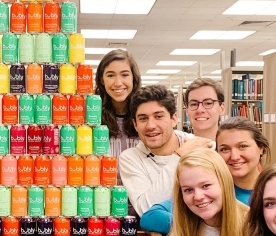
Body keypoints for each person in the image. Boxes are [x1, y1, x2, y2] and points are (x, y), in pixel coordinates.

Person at [119, 85, 212, 216]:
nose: (150, 126)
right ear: (135, 124)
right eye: (143, 118)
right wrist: (179, 156)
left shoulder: (197, 145)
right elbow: (147, 210)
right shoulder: (130, 158)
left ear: (173, 119)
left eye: (158, 116)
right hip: (159, 235)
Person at [94, 48, 141, 173]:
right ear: (102, 80)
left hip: (139, 190)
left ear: (133, 78)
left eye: (125, 75)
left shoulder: (145, 115)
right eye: (110, 75)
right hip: (102, 190)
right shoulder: (91, 116)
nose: (118, 83)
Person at [216, 116, 270, 205]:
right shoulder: (213, 195)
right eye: (225, 149)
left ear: (261, 148)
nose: (234, 157)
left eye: (242, 146)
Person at [184, 77, 225, 141]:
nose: (200, 110)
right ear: (187, 111)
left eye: (208, 103)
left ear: (221, 108)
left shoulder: (234, 149)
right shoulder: (179, 148)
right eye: (194, 104)